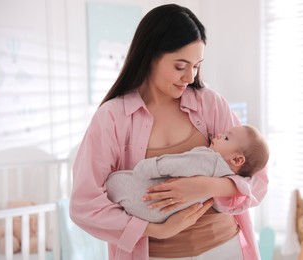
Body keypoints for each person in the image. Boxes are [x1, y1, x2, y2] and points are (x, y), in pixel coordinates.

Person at [69, 4, 268, 260]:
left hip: (225, 247)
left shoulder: (210, 104)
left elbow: (259, 178)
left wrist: (206, 186)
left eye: (196, 66)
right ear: (151, 55)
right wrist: (157, 230)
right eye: (180, 66)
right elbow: (84, 204)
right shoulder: (113, 117)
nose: (189, 76)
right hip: (156, 254)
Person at [106, 125, 269, 223]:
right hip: (162, 215)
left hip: (147, 198)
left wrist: (147, 167)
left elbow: (177, 163)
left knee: (114, 181)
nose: (219, 134)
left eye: (226, 138)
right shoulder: (227, 178)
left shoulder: (210, 159)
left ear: (237, 159)